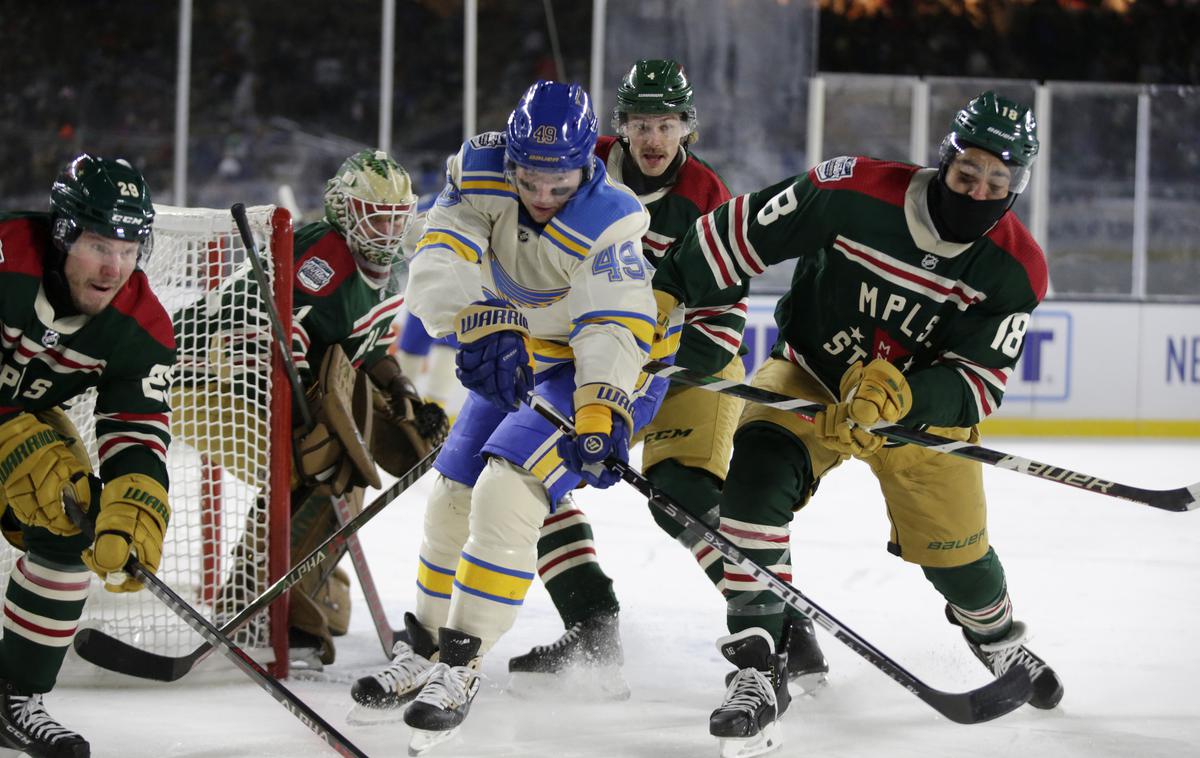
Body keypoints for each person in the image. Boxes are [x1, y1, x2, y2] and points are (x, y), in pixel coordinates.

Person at [652, 91, 1064, 757]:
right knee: (753, 486)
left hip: (913, 420)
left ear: (1018, 185)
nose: (980, 191)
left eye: (999, 182)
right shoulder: (851, 190)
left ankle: (996, 640)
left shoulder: (1017, 268)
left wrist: (899, 399)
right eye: (968, 174)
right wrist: (669, 287)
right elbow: (742, 232)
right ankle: (758, 666)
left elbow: (977, 384)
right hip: (809, 376)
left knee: (960, 558)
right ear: (945, 160)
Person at [347, 80, 669, 754]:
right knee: (450, 496)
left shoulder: (613, 217)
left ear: (588, 165)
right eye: (529, 177)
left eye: (559, 181)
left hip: (604, 368)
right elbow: (439, 256)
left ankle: (462, 666)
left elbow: (611, 325)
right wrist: (478, 323)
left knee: (505, 489)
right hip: (518, 348)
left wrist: (602, 406)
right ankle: (427, 648)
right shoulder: (478, 173)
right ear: (511, 158)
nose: (542, 195)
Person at [508, 59, 828, 693]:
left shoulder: (708, 198)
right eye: (640, 123)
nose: (654, 139)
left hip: (682, 367)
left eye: (667, 124)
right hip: (589, 359)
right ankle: (593, 627)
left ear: (689, 128)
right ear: (620, 127)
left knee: (680, 495)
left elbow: (722, 329)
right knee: (524, 475)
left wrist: (640, 367)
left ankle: (785, 626)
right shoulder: (581, 167)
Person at [173, 149, 448, 668]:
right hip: (207, 376)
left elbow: (361, 351)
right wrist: (302, 412)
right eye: (376, 215)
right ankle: (269, 605)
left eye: (396, 216)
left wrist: (401, 391)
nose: (389, 230)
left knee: (335, 465)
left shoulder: (388, 275)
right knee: (323, 467)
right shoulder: (325, 256)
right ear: (345, 211)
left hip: (252, 378)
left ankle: (278, 594)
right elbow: (270, 338)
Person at [0, 154, 174, 757]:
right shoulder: (5, 259)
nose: (114, 267)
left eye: (129, 249)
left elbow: (137, 427)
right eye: (101, 244)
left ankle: (16, 696)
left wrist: (134, 504)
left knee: (71, 516)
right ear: (63, 232)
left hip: (18, 417)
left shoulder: (142, 326)